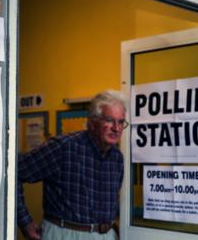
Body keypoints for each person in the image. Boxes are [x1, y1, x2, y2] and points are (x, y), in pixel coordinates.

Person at [17, 90, 127, 240]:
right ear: (93, 122)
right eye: (109, 120)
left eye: (120, 122)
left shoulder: (117, 158)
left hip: (105, 235)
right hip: (65, 233)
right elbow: (13, 172)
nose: (116, 128)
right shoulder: (63, 147)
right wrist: (25, 222)